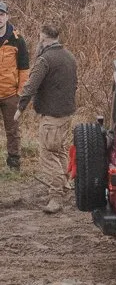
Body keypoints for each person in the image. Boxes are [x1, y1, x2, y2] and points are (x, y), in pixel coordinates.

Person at [17, 22, 76, 213]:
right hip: (66, 115)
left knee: (47, 156)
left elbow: (30, 85)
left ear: (42, 39)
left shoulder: (45, 60)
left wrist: (20, 108)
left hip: (51, 117)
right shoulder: (70, 57)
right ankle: (66, 186)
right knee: (59, 151)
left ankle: (56, 196)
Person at [0, 4, 30, 174]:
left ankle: (14, 163)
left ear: (7, 16)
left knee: (12, 130)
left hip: (10, 94)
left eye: (1, 14)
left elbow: (24, 69)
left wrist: (20, 93)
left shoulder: (17, 39)